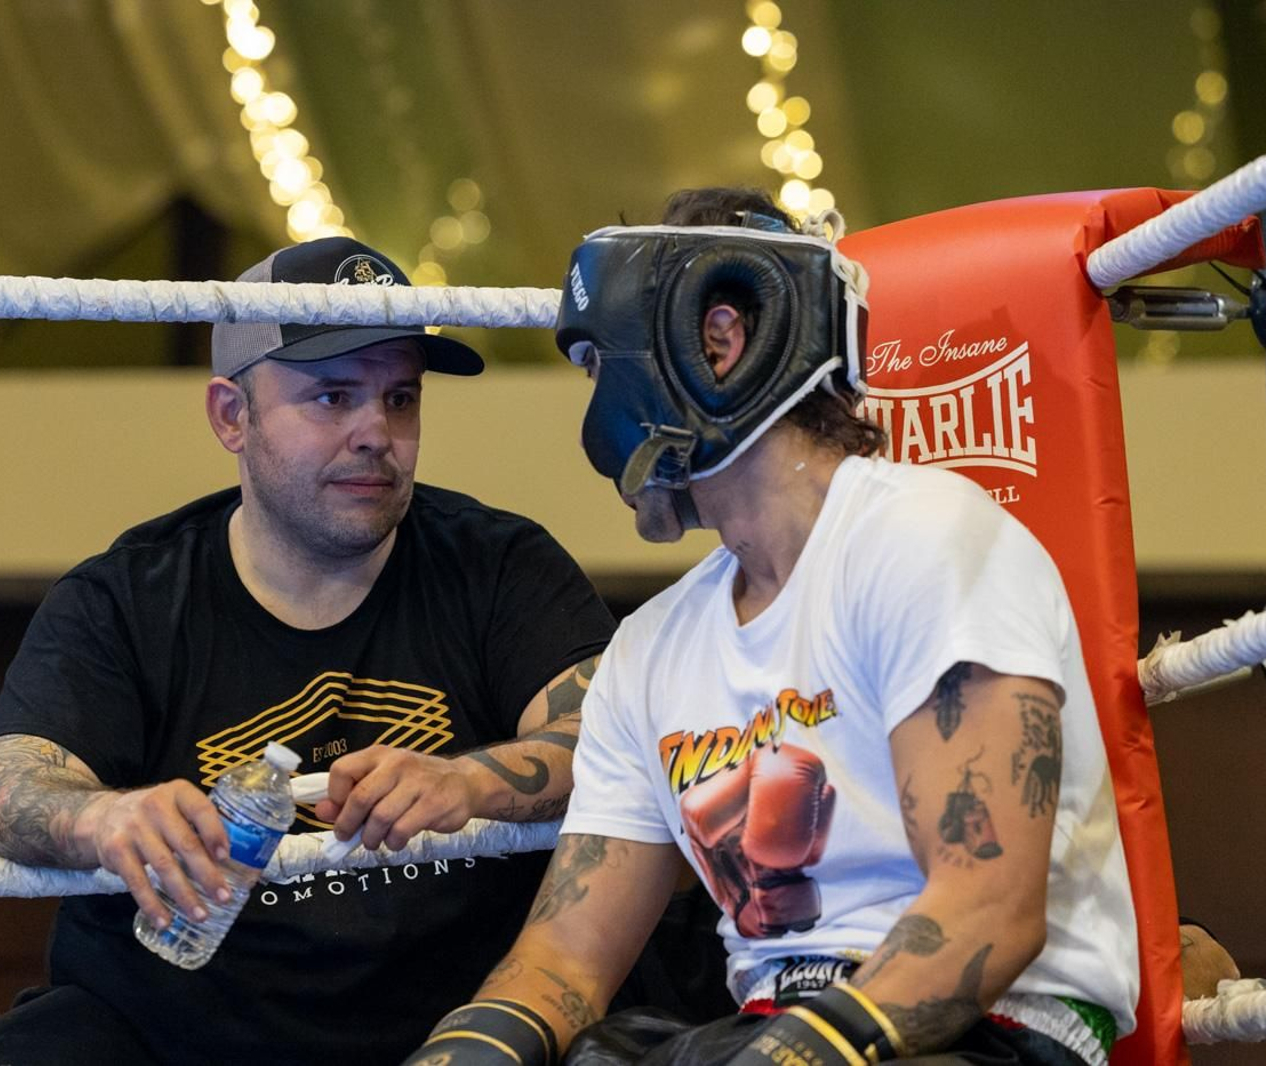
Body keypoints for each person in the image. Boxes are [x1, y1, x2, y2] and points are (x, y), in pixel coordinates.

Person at [399, 188, 1140, 1066]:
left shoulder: (923, 539)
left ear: (718, 342)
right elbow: (563, 961)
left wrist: (792, 1054)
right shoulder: (651, 649)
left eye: (600, 368)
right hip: (762, 1029)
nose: (593, 418)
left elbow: (988, 909)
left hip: (984, 1032)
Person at [0, 236, 615, 1065]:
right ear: (232, 415)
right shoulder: (126, 597)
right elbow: (0, 795)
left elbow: (613, 741)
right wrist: (104, 816)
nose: (377, 432)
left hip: (443, 1026)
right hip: (178, 1034)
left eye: (400, 398)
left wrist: (468, 779)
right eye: (333, 397)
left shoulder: (501, 565)